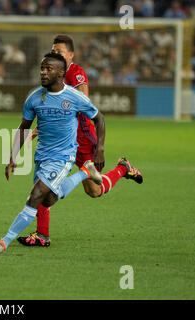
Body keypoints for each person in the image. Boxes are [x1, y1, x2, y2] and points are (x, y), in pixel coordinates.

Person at [17, 34, 143, 247]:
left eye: (59, 52)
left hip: (82, 138)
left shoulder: (76, 74)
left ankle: (122, 169)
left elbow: (83, 104)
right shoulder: (52, 74)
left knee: (94, 191)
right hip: (58, 141)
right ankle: (41, 235)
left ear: (71, 55)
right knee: (43, 182)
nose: (55, 54)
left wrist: (99, 148)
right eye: (53, 50)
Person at [0, 52, 105, 254]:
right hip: (42, 156)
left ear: (61, 72)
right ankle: (86, 172)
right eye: (42, 68)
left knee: (35, 195)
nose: (43, 72)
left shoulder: (74, 97)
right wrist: (12, 157)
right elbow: (24, 126)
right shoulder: (34, 97)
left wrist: (100, 149)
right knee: (48, 199)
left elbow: (99, 118)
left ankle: (4, 241)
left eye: (48, 69)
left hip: (64, 156)